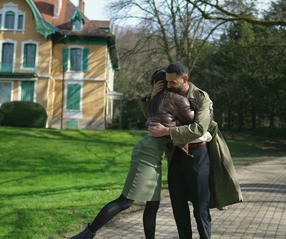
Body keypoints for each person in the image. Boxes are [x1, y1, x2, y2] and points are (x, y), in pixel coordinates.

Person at [71, 68, 199, 239]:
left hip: (151, 152)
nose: (171, 83)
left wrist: (151, 95)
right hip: (147, 153)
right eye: (168, 81)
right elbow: (198, 121)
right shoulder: (175, 100)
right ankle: (87, 234)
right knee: (125, 201)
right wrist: (207, 106)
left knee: (153, 205)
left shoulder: (156, 99)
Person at [148, 61, 243, 239]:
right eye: (167, 82)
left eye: (173, 82)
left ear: (185, 79)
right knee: (178, 206)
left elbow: (200, 128)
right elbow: (153, 115)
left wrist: (167, 131)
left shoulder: (201, 97)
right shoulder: (167, 94)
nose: (169, 86)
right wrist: (152, 97)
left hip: (198, 155)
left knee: (200, 207)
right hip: (175, 154)